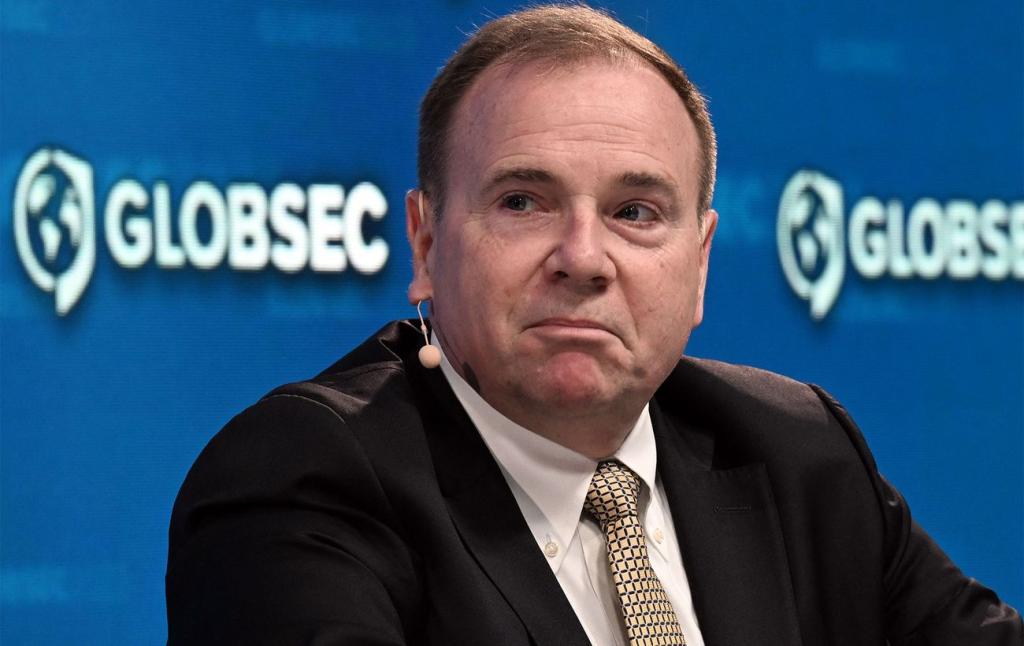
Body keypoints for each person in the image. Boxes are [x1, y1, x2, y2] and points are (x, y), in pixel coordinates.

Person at [165, 5, 1021, 645]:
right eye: (523, 201)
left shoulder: (799, 452)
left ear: (700, 264)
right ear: (425, 243)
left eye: (635, 212)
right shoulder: (303, 477)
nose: (583, 258)